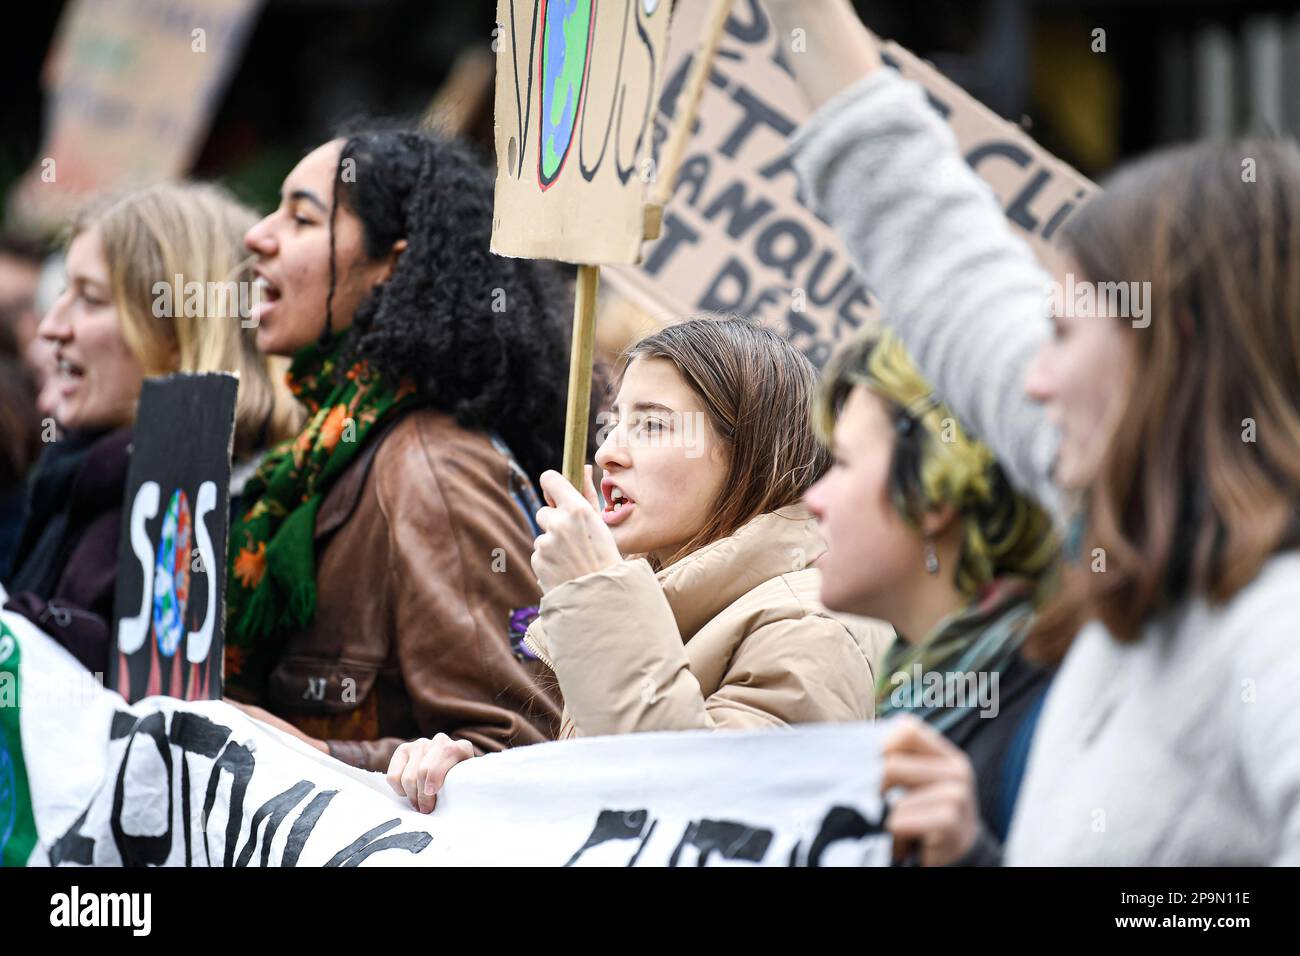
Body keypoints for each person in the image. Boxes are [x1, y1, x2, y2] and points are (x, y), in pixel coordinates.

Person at [776, 0, 1300, 864]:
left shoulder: (1275, 634)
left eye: (1062, 333)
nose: (1031, 379)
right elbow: (934, 246)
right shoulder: (1139, 540)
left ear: (1175, 357)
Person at [388, 317, 894, 813]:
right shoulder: (655, 590)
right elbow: (592, 802)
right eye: (613, 424)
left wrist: (599, 594)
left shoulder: (815, 628)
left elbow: (697, 815)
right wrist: (469, 781)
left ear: (752, 453)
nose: (608, 452)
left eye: (652, 425)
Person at [226, 128, 571, 772]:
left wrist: (293, 752)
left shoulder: (432, 469)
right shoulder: (311, 458)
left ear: (391, 265)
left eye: (302, 217)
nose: (258, 235)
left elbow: (520, 755)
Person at [4, 182, 299, 675]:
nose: (52, 327)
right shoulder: (81, 474)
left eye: (91, 300)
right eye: (62, 295)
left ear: (182, 334)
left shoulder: (222, 508)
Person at [804, 327, 1058, 844]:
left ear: (932, 497)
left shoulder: (1052, 715)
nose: (815, 498)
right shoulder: (912, 688)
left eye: (844, 464)